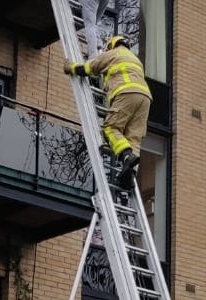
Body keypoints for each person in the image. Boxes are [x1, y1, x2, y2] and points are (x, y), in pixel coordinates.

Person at [64, 35, 152, 189]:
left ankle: (126, 155)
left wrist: (71, 67)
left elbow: (88, 68)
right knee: (134, 138)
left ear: (112, 44)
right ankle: (129, 176)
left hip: (125, 92)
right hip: (145, 98)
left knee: (111, 129)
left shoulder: (112, 54)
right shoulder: (135, 59)